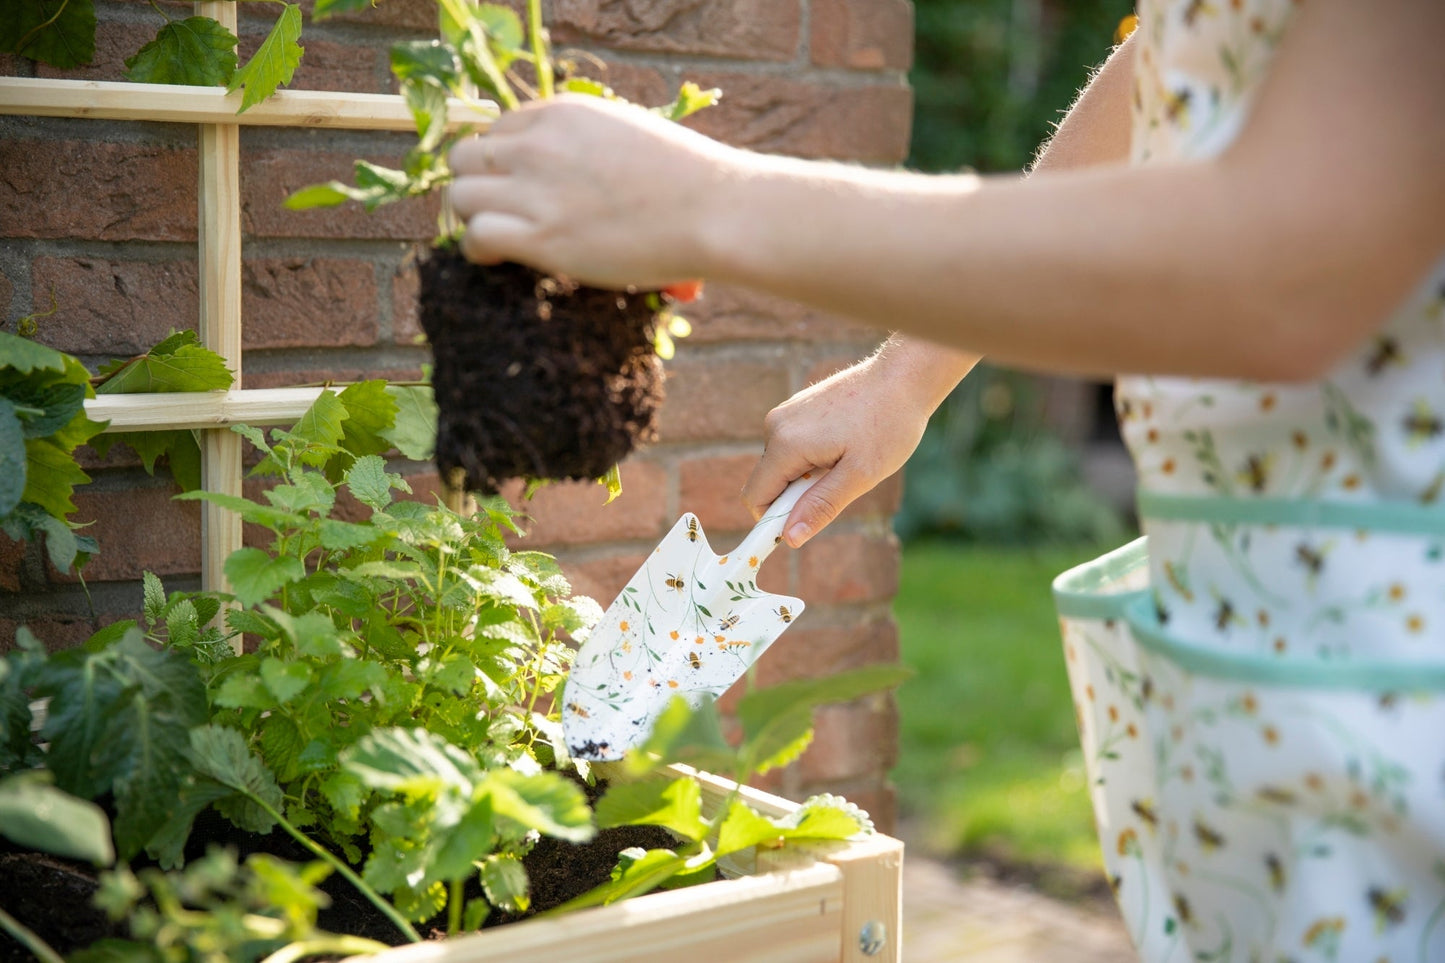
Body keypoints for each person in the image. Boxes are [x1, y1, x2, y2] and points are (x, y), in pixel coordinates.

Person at [450, 0, 1445, 959]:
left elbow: (1292, 267)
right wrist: (904, 377)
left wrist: (709, 202)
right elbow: (1176, 67)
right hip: (1254, 659)